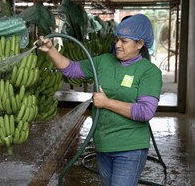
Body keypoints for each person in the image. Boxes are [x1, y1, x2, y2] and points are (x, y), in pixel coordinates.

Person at [37, 14, 162, 186]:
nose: (117, 45)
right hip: (103, 145)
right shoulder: (104, 61)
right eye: (117, 39)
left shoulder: (149, 72)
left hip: (130, 147)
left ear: (139, 44)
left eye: (124, 41)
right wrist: (51, 50)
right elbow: (72, 70)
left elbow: (146, 111)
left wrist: (106, 102)